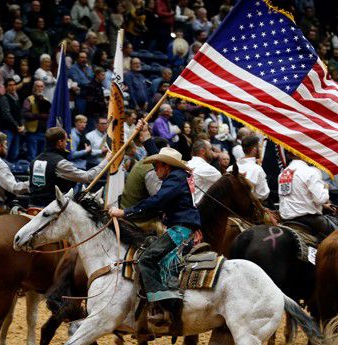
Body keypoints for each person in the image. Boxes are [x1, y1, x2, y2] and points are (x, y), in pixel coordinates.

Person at [109, 147, 201, 333]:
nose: (154, 169)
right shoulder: (177, 178)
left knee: (146, 259)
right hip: (181, 228)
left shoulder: (174, 179)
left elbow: (156, 202)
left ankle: (165, 304)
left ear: (166, 166)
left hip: (180, 231)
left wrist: (125, 212)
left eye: (156, 165)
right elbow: (156, 206)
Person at [28, 127, 110, 208]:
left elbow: (32, 184)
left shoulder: (35, 161)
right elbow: (87, 177)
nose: (67, 144)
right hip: (51, 211)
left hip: (32, 206)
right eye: (66, 141)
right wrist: (106, 160)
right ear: (60, 142)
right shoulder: (60, 163)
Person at [278, 152, 336, 238]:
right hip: (309, 220)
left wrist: (323, 207)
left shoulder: (283, 173)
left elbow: (296, 198)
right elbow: (320, 199)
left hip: (286, 219)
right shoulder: (311, 171)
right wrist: (326, 188)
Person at [227, 135, 269, 201]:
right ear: (254, 149)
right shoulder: (257, 169)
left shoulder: (230, 168)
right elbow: (263, 194)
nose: (260, 150)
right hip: (250, 208)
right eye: (259, 147)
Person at [21, 80, 51, 161]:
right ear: (34, 88)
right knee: (32, 154)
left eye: (41, 86)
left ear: (44, 88)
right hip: (32, 131)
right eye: (37, 86)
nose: (39, 88)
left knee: (42, 155)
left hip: (43, 130)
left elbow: (49, 114)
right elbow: (25, 113)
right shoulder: (29, 99)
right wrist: (39, 116)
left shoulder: (46, 99)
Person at [0, 78, 25, 163]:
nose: (13, 87)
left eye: (14, 85)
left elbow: (20, 115)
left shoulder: (16, 99)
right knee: (5, 152)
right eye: (10, 85)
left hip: (16, 130)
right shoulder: (4, 98)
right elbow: (6, 114)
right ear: (6, 87)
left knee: (15, 154)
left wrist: (22, 125)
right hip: (7, 129)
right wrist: (17, 126)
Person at [186, 139, 221, 204]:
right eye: (210, 149)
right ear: (203, 151)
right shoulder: (205, 168)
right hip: (199, 210)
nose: (212, 152)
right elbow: (224, 182)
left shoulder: (187, 164)